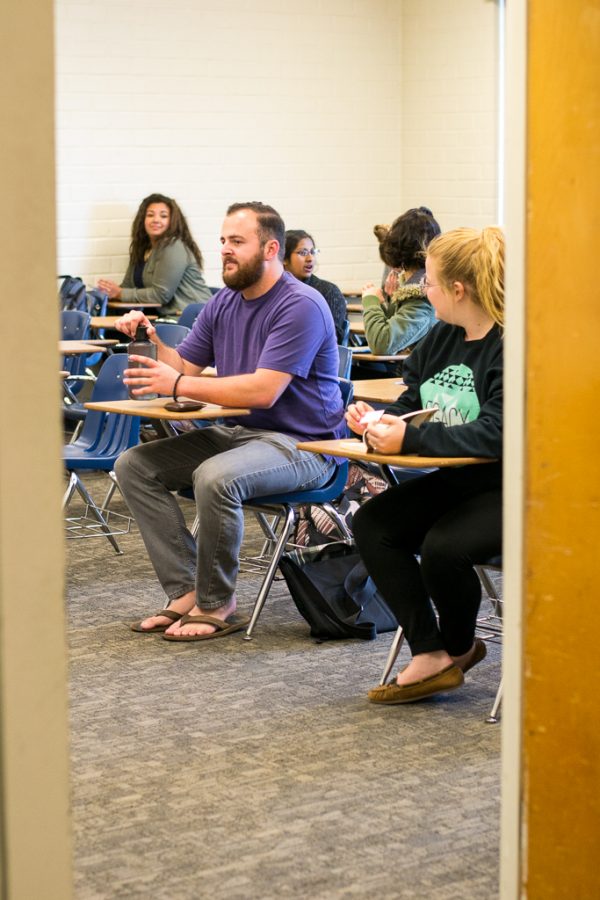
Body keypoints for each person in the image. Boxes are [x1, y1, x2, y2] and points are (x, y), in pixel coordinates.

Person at [114, 202, 345, 641]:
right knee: (134, 465)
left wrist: (177, 383)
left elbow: (262, 390)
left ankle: (218, 603)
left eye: (237, 242)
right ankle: (185, 592)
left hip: (306, 446)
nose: (225, 250)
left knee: (214, 477)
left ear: (271, 248)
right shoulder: (224, 301)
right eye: (223, 241)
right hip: (244, 435)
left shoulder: (301, 305)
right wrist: (150, 338)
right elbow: (184, 364)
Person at [347, 226, 504, 704]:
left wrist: (409, 436)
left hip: (514, 487)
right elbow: (413, 402)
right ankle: (429, 651)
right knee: (374, 523)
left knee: (443, 548)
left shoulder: (513, 344)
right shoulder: (440, 338)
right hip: (458, 479)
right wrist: (377, 422)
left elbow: (498, 431)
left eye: (429, 282)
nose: (421, 289)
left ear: (458, 290)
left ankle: (456, 649)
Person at [97, 193, 213, 317]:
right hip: (164, 318)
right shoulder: (142, 249)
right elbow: (127, 286)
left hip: (192, 318)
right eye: (150, 215)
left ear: (172, 221)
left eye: (163, 216)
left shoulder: (173, 246)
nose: (156, 220)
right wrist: (109, 291)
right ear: (143, 220)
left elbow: (161, 294)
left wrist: (120, 293)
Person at [361, 207, 441, 356]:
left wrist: (371, 302)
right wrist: (390, 302)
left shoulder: (420, 293)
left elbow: (381, 344)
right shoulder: (416, 285)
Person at [283, 230, 347, 344]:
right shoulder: (275, 291)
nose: (310, 258)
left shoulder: (328, 291)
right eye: (303, 253)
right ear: (284, 259)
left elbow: (334, 337)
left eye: (312, 252)